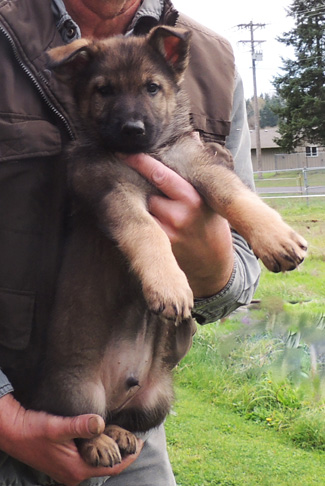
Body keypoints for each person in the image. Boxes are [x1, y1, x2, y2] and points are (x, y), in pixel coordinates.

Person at [0, 0, 261, 485]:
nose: (133, 115)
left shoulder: (212, 61)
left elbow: (245, 268)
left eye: (150, 89)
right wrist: (4, 419)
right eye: (104, 92)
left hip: (134, 436)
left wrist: (212, 265)